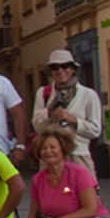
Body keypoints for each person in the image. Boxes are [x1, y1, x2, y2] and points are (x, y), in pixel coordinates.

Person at [31, 49, 104, 177]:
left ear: (72, 69)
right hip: (50, 157)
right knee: (50, 195)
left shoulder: (88, 95)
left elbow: (95, 130)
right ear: (51, 71)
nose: (60, 70)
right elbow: (37, 127)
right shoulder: (43, 94)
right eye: (55, 67)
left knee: (84, 194)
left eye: (65, 66)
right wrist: (49, 113)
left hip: (78, 155)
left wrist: (74, 120)